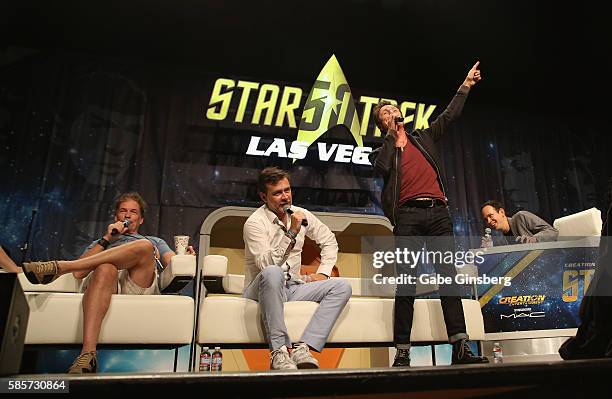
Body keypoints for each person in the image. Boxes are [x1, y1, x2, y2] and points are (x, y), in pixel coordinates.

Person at [369, 61, 488, 366]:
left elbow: (450, 115)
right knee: (406, 283)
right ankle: (403, 351)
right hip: (407, 218)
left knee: (450, 281)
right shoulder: (383, 150)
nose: (391, 114)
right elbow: (380, 168)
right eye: (385, 114)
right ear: (382, 124)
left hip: (437, 215)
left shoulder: (424, 137)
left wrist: (466, 86)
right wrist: (391, 138)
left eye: (392, 110)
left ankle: (460, 347)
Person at [22, 192, 195, 374]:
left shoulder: (154, 241)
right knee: (105, 267)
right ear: (116, 217)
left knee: (144, 246)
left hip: (136, 283)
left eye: (133, 212)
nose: (128, 215)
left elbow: (172, 263)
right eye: (123, 210)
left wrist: (186, 258)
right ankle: (87, 356)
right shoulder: (101, 242)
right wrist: (107, 239)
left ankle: (61, 267)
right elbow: (80, 273)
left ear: (141, 219)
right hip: (103, 283)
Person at [243, 167, 352, 370]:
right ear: (263, 196)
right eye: (277, 193)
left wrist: (323, 272)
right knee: (273, 272)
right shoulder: (255, 223)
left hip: (292, 286)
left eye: (287, 190)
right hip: (261, 288)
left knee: (342, 286)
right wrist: (292, 232)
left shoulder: (302, 214)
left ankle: (304, 347)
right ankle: (279, 352)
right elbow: (267, 265)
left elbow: (329, 240)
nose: (285, 197)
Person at [481, 200, 558, 244]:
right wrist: (489, 250)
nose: (488, 221)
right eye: (485, 219)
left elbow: (552, 232)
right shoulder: (500, 240)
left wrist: (534, 239)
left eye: (490, 216)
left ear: (501, 212)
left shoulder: (521, 217)